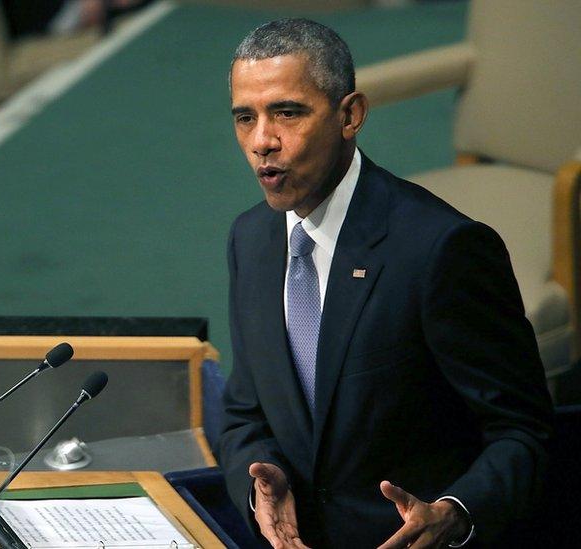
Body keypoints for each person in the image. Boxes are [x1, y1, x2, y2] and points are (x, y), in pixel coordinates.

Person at [216, 18, 553, 548]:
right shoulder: (250, 241)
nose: (262, 141)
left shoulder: (441, 250)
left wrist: (455, 513)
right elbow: (243, 413)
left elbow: (525, 432)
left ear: (350, 115)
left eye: (288, 112)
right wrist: (263, 484)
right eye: (245, 117)